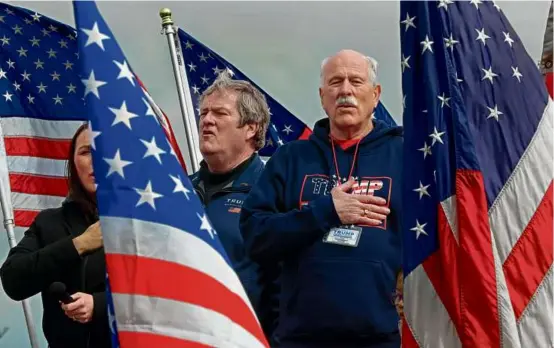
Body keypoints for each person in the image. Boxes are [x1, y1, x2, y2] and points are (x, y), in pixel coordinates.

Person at [240, 49, 403, 348]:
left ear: (376, 94)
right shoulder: (290, 158)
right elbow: (256, 236)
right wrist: (326, 211)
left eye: (356, 81)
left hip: (383, 338)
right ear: (321, 96)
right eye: (335, 82)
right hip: (301, 338)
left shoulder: (404, 155)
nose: (345, 91)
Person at [0, 123, 110, 348]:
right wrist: (78, 245)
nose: (95, 160)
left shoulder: (146, 222)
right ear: (73, 164)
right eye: (86, 151)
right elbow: (12, 279)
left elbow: (166, 290)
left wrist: (100, 305)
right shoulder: (49, 222)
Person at [189, 73, 279, 339]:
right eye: (203, 113)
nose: (207, 120)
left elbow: (284, 283)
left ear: (251, 128)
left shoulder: (272, 191)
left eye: (220, 113)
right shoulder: (180, 189)